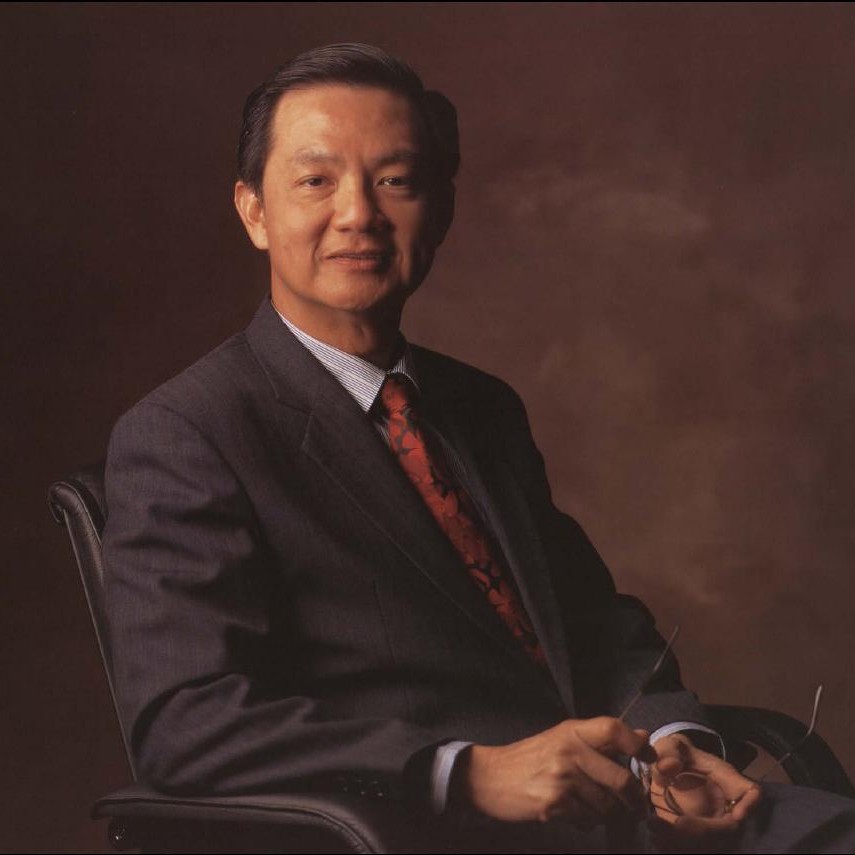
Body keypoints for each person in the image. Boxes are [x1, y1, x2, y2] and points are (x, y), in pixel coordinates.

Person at [102, 43, 855, 853]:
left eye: (395, 180)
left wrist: (676, 742)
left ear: (442, 210)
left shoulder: (479, 405)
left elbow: (592, 625)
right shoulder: (188, 431)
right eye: (315, 180)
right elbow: (184, 722)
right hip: (431, 829)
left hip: (627, 812)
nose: (358, 213)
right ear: (253, 210)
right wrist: (461, 771)